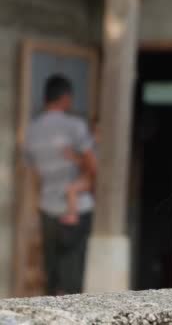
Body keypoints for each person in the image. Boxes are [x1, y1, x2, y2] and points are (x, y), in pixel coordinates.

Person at [25, 74, 97, 296]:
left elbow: (33, 170)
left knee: (52, 276)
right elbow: (92, 165)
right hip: (77, 210)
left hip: (48, 209)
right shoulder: (74, 125)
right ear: (65, 98)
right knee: (72, 281)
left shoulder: (31, 129)